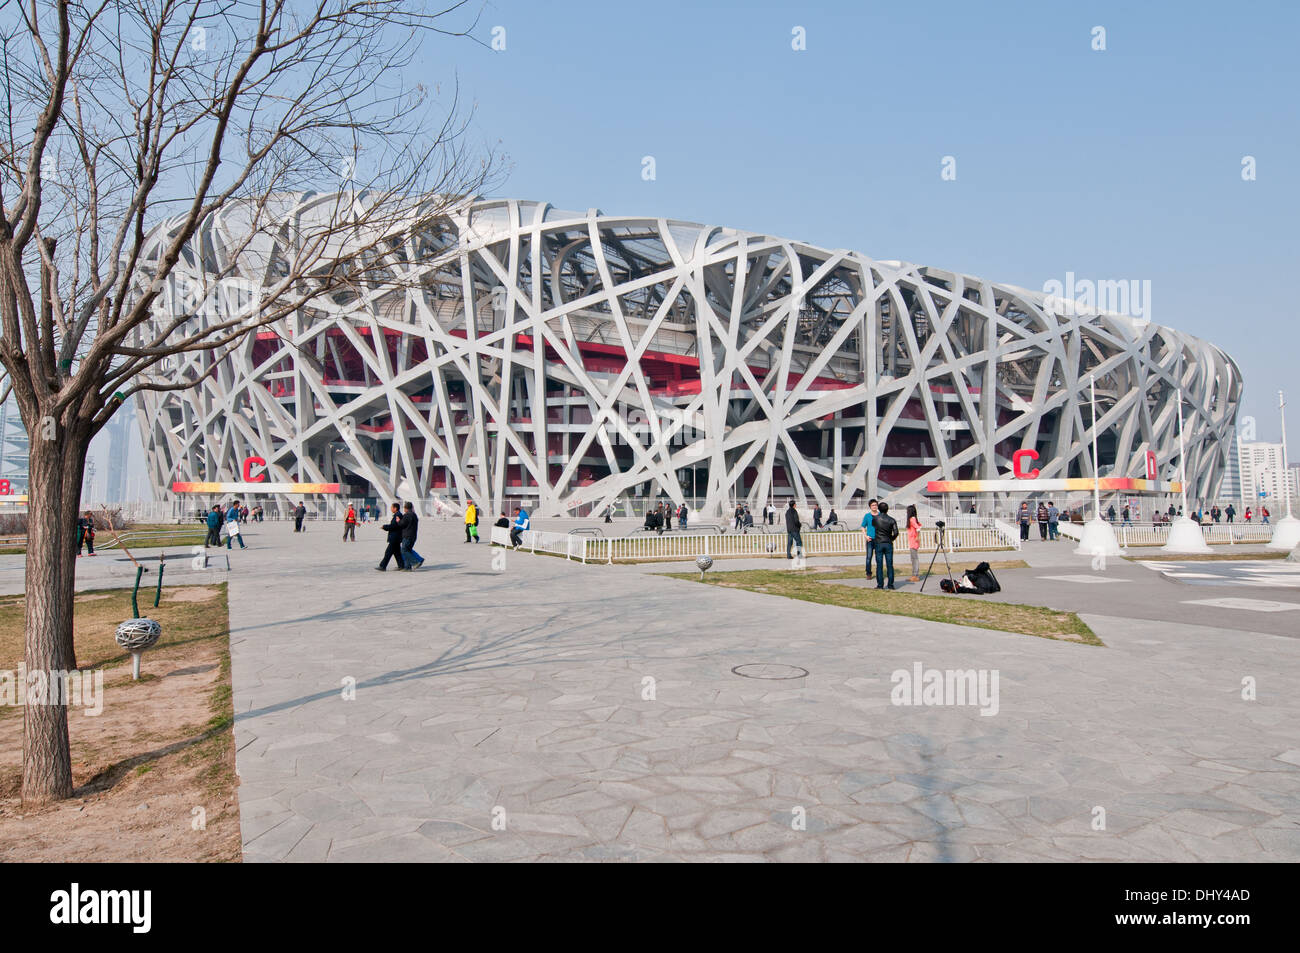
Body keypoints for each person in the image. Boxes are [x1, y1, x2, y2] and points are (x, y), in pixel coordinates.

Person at [873, 502, 898, 590]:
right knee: (889, 565)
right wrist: (891, 538)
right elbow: (896, 532)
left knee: (879, 565)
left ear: (879, 509)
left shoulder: (875, 519)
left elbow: (874, 526)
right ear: (887, 509)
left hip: (879, 543)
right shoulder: (892, 520)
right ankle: (890, 585)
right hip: (888, 543)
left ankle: (880, 585)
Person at [376, 503, 407, 571]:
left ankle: (382, 566)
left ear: (395, 508)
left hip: (395, 537)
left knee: (388, 552)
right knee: (397, 553)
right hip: (396, 537)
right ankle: (401, 565)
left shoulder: (398, 515)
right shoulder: (397, 515)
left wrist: (385, 527)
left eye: (391, 507)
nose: (391, 509)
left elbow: (394, 526)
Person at [400, 502, 424, 569]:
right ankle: (407, 567)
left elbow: (402, 524)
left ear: (405, 508)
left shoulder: (407, 515)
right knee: (408, 550)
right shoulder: (414, 515)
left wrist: (399, 521)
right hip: (413, 536)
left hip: (407, 536)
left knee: (404, 551)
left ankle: (415, 562)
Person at [861, 498, 879, 576]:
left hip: (879, 539)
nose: (874, 506)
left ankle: (879, 573)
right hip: (870, 539)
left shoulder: (880, 515)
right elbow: (863, 527)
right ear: (870, 506)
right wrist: (866, 536)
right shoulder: (867, 516)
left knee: (878, 558)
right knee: (869, 557)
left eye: (875, 505)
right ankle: (868, 573)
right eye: (872, 505)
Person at [905, 504, 921, 582]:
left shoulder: (911, 519)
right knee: (913, 558)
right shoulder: (914, 519)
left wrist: (917, 536)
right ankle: (914, 574)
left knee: (914, 558)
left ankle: (915, 575)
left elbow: (918, 528)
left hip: (913, 541)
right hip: (913, 541)